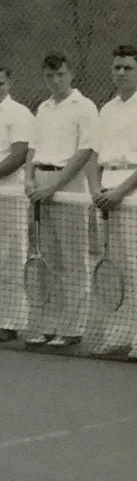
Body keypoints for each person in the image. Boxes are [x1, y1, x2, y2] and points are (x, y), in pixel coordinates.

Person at [85, 45, 137, 359]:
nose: (121, 73)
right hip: (105, 192)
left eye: (128, 68)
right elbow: (93, 155)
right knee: (114, 267)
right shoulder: (106, 109)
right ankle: (117, 334)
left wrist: (121, 191)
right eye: (117, 68)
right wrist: (96, 188)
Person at [23, 52, 99, 349]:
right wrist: (29, 179)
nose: (55, 81)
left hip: (68, 187)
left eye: (60, 75)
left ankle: (72, 328)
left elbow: (84, 153)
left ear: (71, 74)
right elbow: (32, 149)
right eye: (49, 76)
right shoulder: (42, 108)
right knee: (48, 259)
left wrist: (54, 186)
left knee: (73, 259)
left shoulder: (85, 107)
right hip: (40, 186)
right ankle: (49, 326)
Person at [0, 66, 33, 342]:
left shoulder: (20, 113)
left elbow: (19, 155)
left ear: (9, 82)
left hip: (9, 194)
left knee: (10, 256)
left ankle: (10, 321)